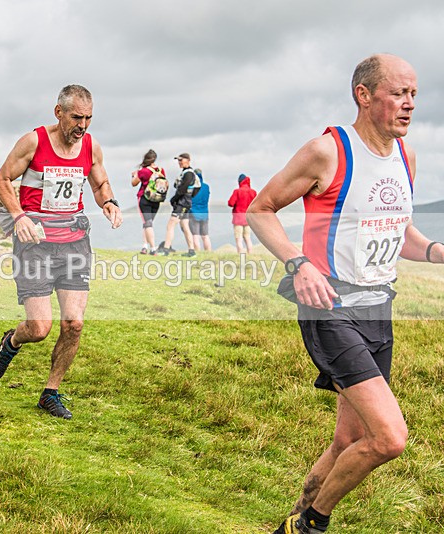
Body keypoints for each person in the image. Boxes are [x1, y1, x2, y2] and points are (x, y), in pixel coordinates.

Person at [248, 54, 441, 534]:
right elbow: (261, 210)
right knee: (390, 437)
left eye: (414, 94)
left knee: (348, 440)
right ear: (364, 94)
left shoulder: (405, 155)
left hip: (379, 307)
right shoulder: (328, 152)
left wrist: (437, 250)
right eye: (398, 93)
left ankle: (290, 522)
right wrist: (298, 263)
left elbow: (401, 233)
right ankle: (312, 523)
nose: (409, 104)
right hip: (328, 308)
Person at [0, 84, 123, 419]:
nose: (83, 125)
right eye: (77, 117)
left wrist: (109, 202)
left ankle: (50, 392)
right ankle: (12, 341)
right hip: (35, 243)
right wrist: (18, 216)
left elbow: (99, 181)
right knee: (40, 327)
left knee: (73, 323)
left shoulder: (90, 145)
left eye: (89, 118)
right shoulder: (34, 142)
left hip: (74, 242)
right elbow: (3, 179)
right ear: (58, 112)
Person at [159, 152, 198, 256]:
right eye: (178, 160)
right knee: (185, 226)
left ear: (188, 160)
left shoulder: (189, 174)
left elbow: (182, 189)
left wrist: (173, 199)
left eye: (181, 160)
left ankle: (166, 250)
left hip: (182, 203)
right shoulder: (186, 173)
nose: (179, 162)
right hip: (185, 203)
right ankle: (191, 251)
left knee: (170, 224)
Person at [131, 149, 166, 254]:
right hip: (157, 200)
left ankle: (153, 248)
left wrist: (134, 176)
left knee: (147, 223)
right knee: (148, 223)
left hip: (144, 198)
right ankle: (144, 246)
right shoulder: (161, 170)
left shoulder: (143, 171)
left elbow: (134, 183)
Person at [228, 173, 257, 253]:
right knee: (247, 237)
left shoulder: (237, 191)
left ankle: (240, 254)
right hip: (248, 219)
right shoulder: (253, 192)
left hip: (238, 218)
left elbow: (231, 203)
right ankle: (250, 253)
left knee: (239, 238)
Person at [189, 168, 212, 251]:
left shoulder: (192, 187)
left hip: (193, 212)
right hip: (205, 213)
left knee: (195, 235)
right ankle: (208, 252)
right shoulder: (206, 187)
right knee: (205, 235)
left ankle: (198, 252)